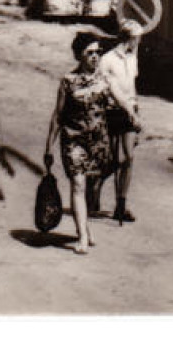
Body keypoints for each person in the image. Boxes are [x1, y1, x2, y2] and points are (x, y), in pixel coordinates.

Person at [44, 32, 120, 254]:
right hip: (73, 140)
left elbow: (118, 101)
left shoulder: (105, 79)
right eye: (90, 52)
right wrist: (49, 145)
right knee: (78, 184)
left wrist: (131, 115)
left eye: (98, 52)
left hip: (99, 142)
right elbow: (57, 115)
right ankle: (83, 237)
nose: (95, 56)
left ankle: (84, 225)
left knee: (91, 188)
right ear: (79, 55)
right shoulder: (68, 81)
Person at [98, 19, 143, 224]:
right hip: (111, 110)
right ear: (129, 38)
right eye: (138, 38)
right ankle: (94, 188)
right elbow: (105, 88)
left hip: (129, 110)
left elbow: (131, 85)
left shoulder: (133, 58)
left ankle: (121, 205)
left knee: (129, 157)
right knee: (111, 159)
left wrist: (136, 109)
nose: (139, 42)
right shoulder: (107, 59)